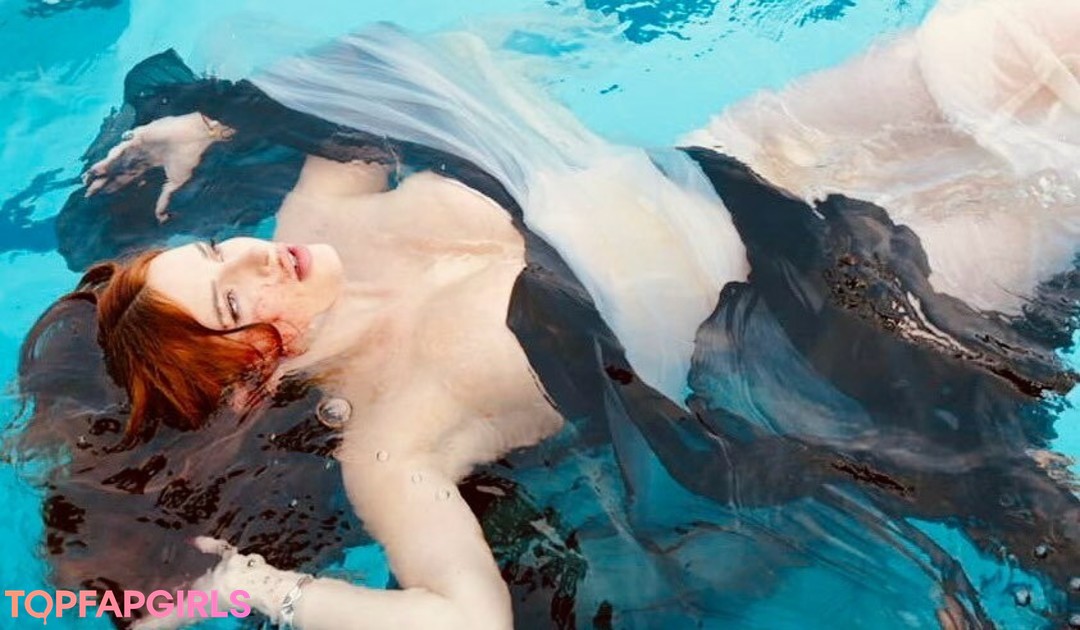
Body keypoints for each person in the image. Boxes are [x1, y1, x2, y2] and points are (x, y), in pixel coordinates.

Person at [19, 0, 1080, 626]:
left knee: (1008, 34)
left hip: (754, 157)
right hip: (855, 307)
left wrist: (208, 124)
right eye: (231, 294)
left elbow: (358, 85)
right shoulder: (391, 444)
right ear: (252, 376)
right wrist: (251, 585)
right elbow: (464, 621)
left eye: (213, 249)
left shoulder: (319, 220)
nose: (253, 251)